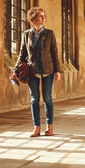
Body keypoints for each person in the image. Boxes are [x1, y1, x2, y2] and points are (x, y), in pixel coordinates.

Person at [11, 7, 62, 137]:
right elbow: (22, 54)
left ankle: (49, 127)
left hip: (48, 70)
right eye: (41, 16)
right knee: (34, 100)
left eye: (44, 16)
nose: (44, 18)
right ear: (33, 19)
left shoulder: (50, 33)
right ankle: (36, 128)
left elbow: (54, 53)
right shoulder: (26, 34)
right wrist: (15, 70)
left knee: (47, 98)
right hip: (32, 70)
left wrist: (57, 70)